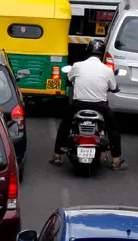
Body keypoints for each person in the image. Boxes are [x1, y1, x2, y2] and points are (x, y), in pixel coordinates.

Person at [52, 39, 126, 170]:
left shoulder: (77, 65)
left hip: (78, 105)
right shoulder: (107, 70)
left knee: (65, 125)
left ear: (88, 52)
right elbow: (113, 87)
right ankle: (116, 159)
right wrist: (115, 89)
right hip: (100, 106)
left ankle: (57, 155)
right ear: (102, 54)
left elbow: (68, 79)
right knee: (113, 128)